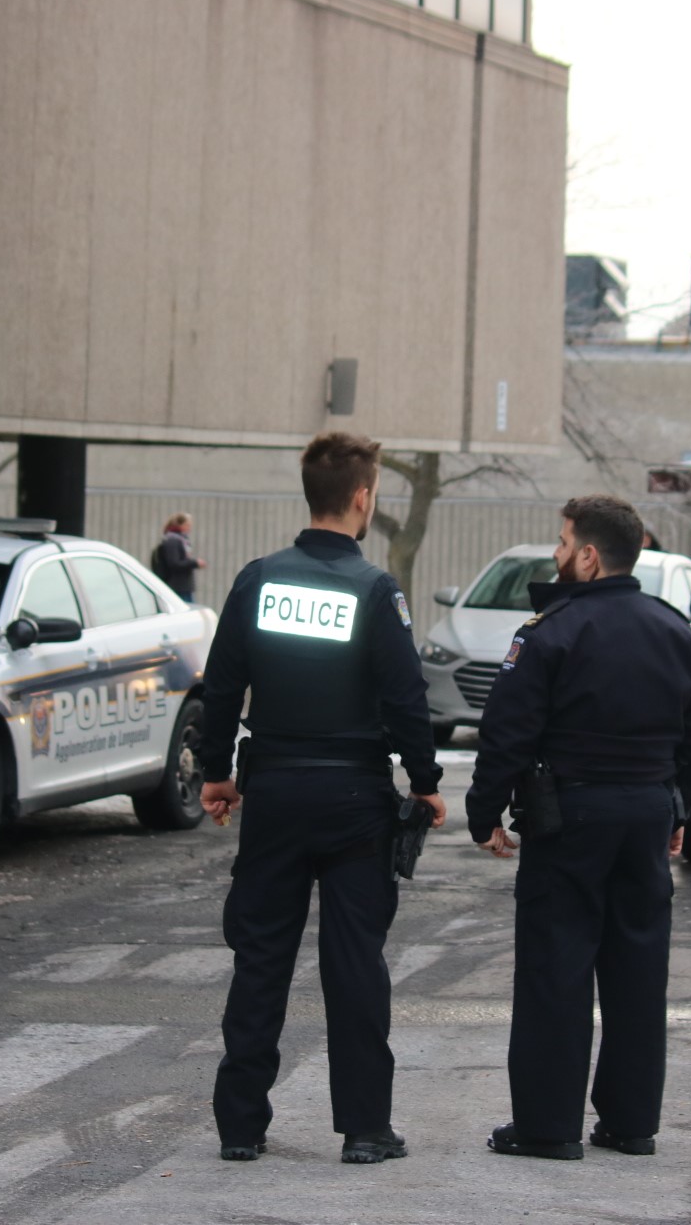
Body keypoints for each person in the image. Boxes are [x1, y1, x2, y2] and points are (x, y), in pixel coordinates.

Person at [198, 431, 447, 1166]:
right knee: (355, 963)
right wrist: (426, 782)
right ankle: (365, 1129)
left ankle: (240, 1126)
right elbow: (405, 696)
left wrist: (217, 772)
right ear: (363, 498)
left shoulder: (258, 581)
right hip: (353, 798)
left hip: (274, 792)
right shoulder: (373, 590)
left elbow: (222, 686)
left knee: (260, 959)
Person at [465, 495, 691, 1161]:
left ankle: (548, 1128)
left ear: (590, 556)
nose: (556, 553)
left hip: (569, 815)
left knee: (556, 967)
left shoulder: (551, 632)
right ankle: (631, 1125)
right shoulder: (675, 631)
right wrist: (678, 809)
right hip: (645, 814)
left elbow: (507, 731)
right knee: (638, 972)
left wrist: (484, 813)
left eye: (562, 541)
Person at [156, 514, 205, 603]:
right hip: (178, 587)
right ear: (179, 525)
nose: (189, 528)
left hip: (183, 587)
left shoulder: (181, 540)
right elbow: (174, 563)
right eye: (187, 525)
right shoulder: (172, 541)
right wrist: (195, 563)